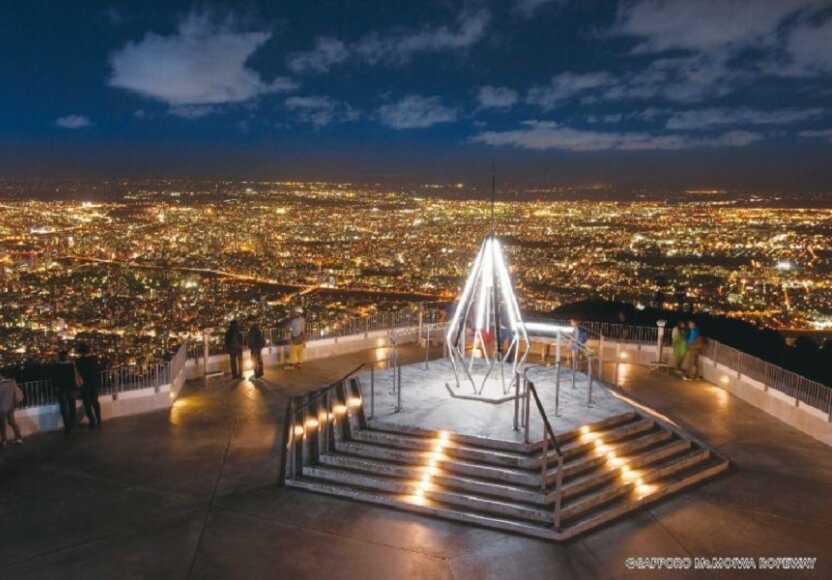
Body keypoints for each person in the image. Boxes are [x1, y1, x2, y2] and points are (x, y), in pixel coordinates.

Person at [52, 350, 81, 433]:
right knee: (72, 407)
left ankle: (67, 426)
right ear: (66, 356)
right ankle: (73, 424)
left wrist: (56, 386)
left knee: (64, 408)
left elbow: (54, 378)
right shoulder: (72, 365)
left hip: (61, 389)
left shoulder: (56, 366)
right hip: (72, 388)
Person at [75, 343, 102, 428]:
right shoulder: (93, 359)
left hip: (85, 385)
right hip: (94, 383)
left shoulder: (78, 361)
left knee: (87, 404)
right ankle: (98, 419)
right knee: (95, 402)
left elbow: (78, 372)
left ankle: (92, 421)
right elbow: (98, 369)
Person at [0, 372, 24, 446]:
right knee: (12, 422)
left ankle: (4, 440)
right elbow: (18, 394)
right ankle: (19, 438)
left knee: (2, 425)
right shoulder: (12, 383)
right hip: (11, 407)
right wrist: (15, 404)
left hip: (1, 408)